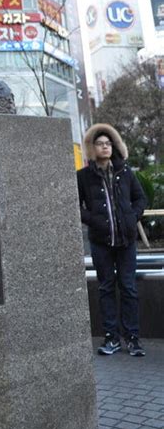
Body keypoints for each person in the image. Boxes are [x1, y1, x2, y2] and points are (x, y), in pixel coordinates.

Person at [77, 123, 147, 356]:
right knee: (106, 288)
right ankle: (111, 338)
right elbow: (75, 206)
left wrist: (131, 217)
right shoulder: (84, 176)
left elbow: (140, 199)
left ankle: (133, 338)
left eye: (108, 143)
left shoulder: (125, 172)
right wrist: (93, 219)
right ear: (92, 148)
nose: (105, 147)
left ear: (113, 146)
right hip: (101, 242)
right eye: (100, 144)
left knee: (129, 288)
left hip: (126, 241)